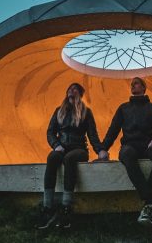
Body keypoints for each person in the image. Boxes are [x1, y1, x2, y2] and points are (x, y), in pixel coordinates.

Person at [98, 77, 152, 232]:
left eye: (136, 83)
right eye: (131, 84)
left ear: (144, 88)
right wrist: (103, 148)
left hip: (148, 143)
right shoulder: (123, 108)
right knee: (126, 154)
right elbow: (113, 130)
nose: (133, 86)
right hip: (130, 145)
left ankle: (148, 206)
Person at [36, 83, 104, 229]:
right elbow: (50, 132)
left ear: (80, 94)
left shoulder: (86, 112)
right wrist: (56, 145)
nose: (71, 91)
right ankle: (48, 207)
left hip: (79, 150)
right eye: (69, 89)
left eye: (75, 89)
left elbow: (92, 135)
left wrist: (100, 150)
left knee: (69, 158)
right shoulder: (58, 111)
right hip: (62, 148)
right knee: (52, 157)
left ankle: (66, 208)